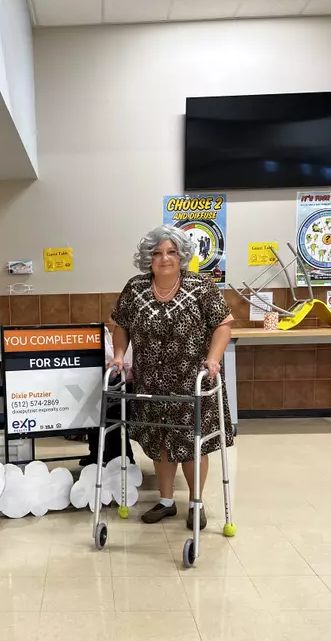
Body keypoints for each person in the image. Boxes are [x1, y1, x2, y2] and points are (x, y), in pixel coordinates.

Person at [109, 224, 234, 530]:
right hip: (151, 382)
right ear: (148, 259)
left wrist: (213, 360)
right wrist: (118, 355)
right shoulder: (135, 288)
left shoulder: (201, 287)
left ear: (182, 257)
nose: (165, 258)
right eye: (157, 253)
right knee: (160, 443)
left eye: (171, 252)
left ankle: (195, 502)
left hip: (193, 380)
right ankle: (166, 502)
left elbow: (223, 325)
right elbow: (121, 325)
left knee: (193, 445)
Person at [82, 327, 134, 466]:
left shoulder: (126, 335)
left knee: (112, 415)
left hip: (124, 383)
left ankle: (123, 458)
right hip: (111, 380)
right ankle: (99, 454)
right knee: (94, 412)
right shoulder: (108, 335)